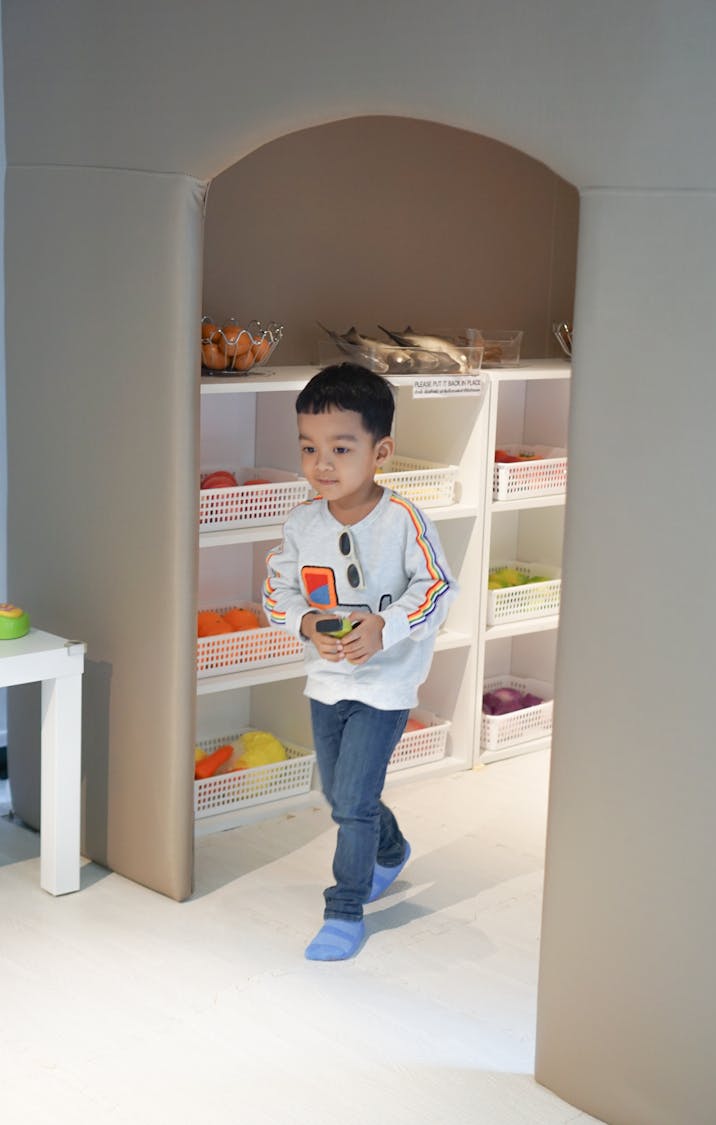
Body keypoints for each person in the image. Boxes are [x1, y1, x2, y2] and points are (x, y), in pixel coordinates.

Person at [263, 362, 458, 961]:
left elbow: (436, 589)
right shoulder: (302, 522)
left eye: (341, 448)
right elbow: (278, 591)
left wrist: (385, 627)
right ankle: (391, 850)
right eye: (309, 448)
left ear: (382, 451)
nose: (323, 464)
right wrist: (306, 623)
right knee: (345, 797)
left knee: (350, 803)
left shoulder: (403, 522)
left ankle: (344, 910)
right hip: (326, 681)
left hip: (386, 686)